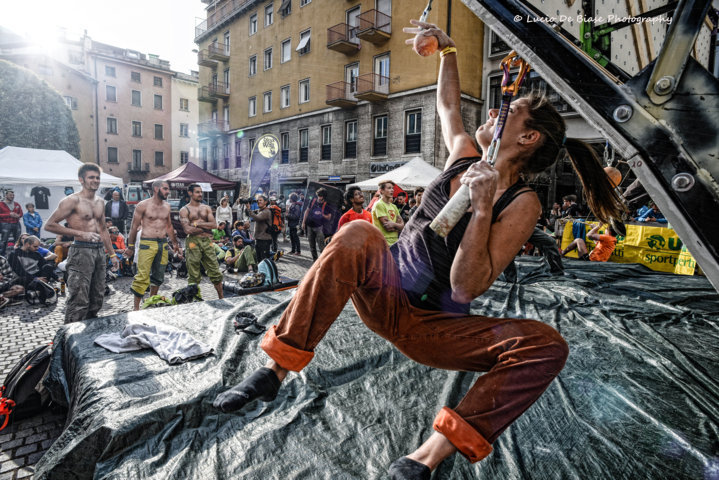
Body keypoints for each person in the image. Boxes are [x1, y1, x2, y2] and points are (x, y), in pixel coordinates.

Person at [212, 19, 625, 479]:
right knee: (360, 234)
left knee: (545, 345)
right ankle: (276, 370)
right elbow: (449, 106)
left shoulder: (522, 202)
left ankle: (424, 459)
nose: (491, 115)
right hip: (385, 289)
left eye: (506, 113)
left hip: (433, 324)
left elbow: (467, 287)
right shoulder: (464, 153)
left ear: (528, 138)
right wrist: (447, 52)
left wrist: (484, 207)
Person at [45, 164, 119, 323]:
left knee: (97, 297)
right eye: (91, 177)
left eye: (98, 177)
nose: (96, 180)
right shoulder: (72, 200)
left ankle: (89, 335)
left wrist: (112, 254)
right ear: (81, 180)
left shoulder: (100, 202)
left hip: (99, 251)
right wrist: (81, 233)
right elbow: (49, 224)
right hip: (81, 250)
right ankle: (69, 339)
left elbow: (103, 230)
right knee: (79, 299)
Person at [125, 180, 184, 310]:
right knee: (142, 276)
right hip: (147, 243)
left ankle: (151, 303)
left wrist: (175, 244)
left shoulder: (167, 206)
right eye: (165, 189)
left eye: (168, 189)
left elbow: (169, 226)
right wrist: (130, 247)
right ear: (156, 189)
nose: (168, 192)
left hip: (162, 244)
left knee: (158, 276)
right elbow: (134, 227)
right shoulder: (143, 205)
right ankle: (136, 308)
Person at [178, 184, 224, 299]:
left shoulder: (206, 208)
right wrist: (205, 227)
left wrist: (197, 224)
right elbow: (187, 229)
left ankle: (221, 297)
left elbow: (214, 225)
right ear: (190, 193)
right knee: (193, 273)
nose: (200, 194)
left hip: (207, 241)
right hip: (193, 242)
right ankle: (193, 299)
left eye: (201, 192)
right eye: (197, 192)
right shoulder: (184, 210)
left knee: (215, 271)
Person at [372, 181, 404, 245]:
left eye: (392, 188)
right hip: (383, 242)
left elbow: (402, 227)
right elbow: (389, 228)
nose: (392, 190)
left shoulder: (394, 206)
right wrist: (397, 225)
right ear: (381, 191)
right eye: (389, 188)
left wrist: (393, 224)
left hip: (395, 242)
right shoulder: (379, 204)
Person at [245, 194, 273, 262]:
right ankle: (261, 271)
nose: (258, 202)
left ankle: (265, 272)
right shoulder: (260, 210)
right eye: (258, 200)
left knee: (263, 258)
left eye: (260, 200)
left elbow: (257, 217)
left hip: (264, 239)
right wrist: (247, 204)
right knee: (259, 258)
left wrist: (249, 209)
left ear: (265, 202)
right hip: (259, 238)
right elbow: (249, 214)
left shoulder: (266, 211)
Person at [0, 190, 23, 256]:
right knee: (4, 240)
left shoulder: (17, 204)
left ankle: (17, 254)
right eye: (10, 195)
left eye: (13, 195)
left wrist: (18, 215)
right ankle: (2, 255)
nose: (12, 196)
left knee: (18, 239)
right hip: (5, 224)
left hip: (16, 223)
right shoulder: (1, 204)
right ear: (6, 195)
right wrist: (9, 214)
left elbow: (21, 213)